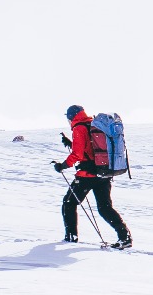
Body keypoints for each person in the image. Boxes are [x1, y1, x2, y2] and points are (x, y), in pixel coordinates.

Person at [54, 105, 132, 249]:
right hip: (103, 173)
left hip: (87, 175)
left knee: (69, 203)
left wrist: (62, 165)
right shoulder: (93, 124)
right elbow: (91, 148)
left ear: (71, 116)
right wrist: (71, 143)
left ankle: (71, 238)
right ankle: (124, 237)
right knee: (105, 208)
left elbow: (78, 154)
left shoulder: (79, 128)